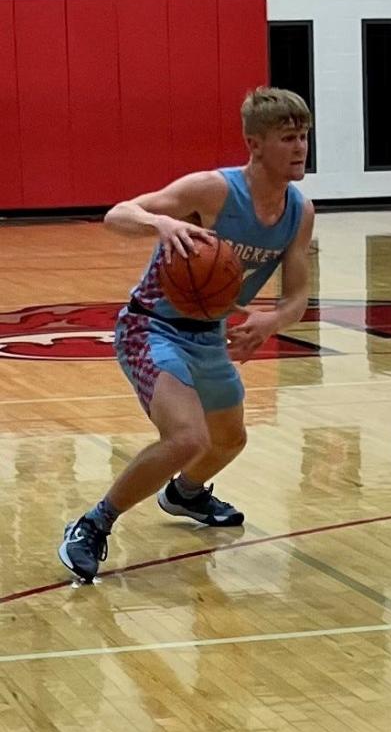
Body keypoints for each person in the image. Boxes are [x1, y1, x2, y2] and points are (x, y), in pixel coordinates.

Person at [58, 87, 316, 584]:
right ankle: (92, 524)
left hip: (209, 335)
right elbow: (118, 214)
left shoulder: (298, 212)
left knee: (229, 440)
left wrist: (271, 321)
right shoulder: (212, 190)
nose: (300, 147)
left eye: (303, 136)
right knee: (187, 436)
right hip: (150, 326)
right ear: (255, 144)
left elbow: (298, 297)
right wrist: (159, 223)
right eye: (288, 137)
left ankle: (186, 495)